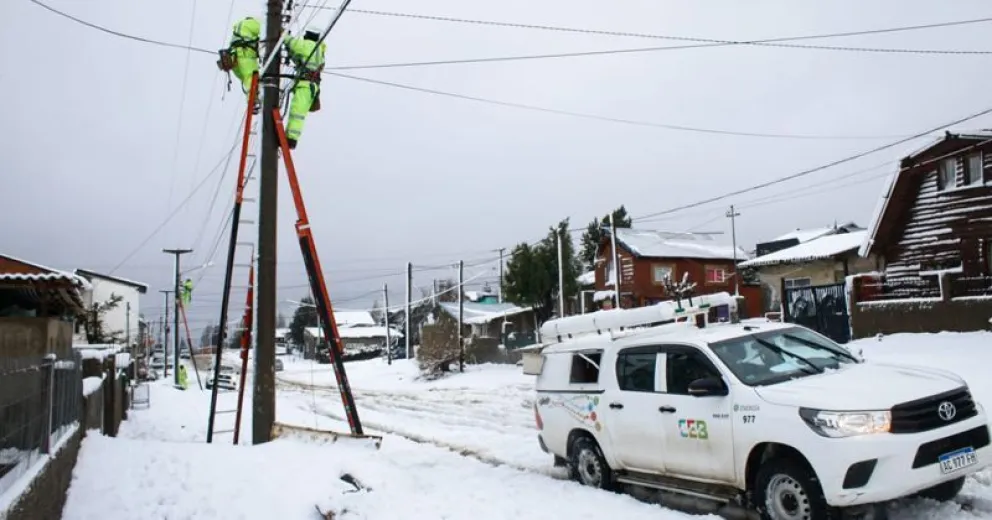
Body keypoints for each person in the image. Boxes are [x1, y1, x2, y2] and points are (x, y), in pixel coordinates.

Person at [283, 26, 327, 150]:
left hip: (306, 85)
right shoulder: (318, 50)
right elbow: (298, 57)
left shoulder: (309, 45)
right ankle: (291, 136)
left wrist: (283, 34)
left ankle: (291, 138)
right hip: (311, 86)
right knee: (298, 111)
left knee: (297, 111)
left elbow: (293, 43)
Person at [217, 16, 261, 112]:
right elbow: (267, 33)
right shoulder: (253, 24)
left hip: (234, 61)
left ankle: (253, 99)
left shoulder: (238, 28)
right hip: (244, 56)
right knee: (252, 77)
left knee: (247, 79)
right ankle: (253, 100)